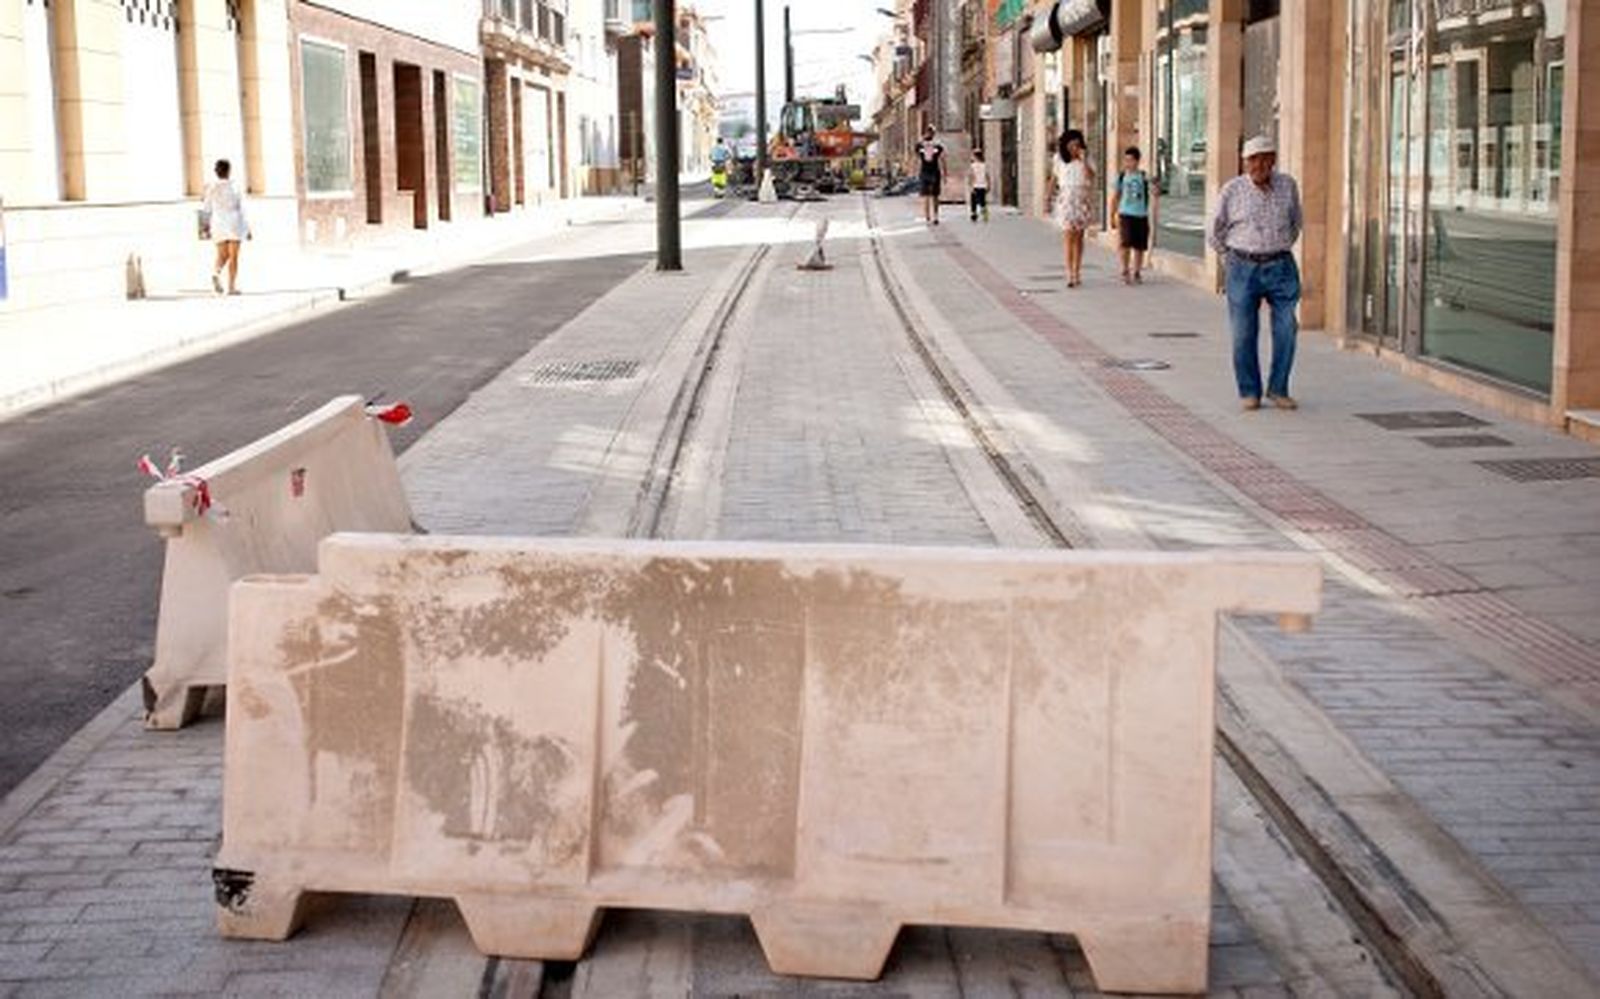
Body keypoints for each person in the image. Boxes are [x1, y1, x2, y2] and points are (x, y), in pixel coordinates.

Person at [1210, 135, 1304, 411]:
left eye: (1264, 157)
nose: (1258, 164)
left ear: (1273, 160)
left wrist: (1279, 246)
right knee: (1243, 332)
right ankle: (1249, 390)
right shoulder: (1232, 190)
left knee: (1287, 327)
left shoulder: (1288, 185)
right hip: (1243, 266)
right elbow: (1214, 231)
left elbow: (1295, 222)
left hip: (1281, 266)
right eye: (1252, 159)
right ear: (1244, 162)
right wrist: (1230, 259)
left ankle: (1278, 388)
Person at [1045, 129, 1094, 287]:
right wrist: (1047, 197)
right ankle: (1069, 273)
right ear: (1065, 145)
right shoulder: (1058, 159)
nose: (1074, 148)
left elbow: (1090, 177)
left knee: (1079, 237)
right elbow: (1053, 179)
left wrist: (1084, 159)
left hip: (1081, 198)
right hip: (1066, 198)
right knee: (1068, 237)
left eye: (1077, 145)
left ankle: (1077, 271)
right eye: (1071, 145)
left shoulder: (1085, 159)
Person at [1109, 146, 1156, 285]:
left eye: (1130, 160)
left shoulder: (1143, 176)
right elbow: (1115, 197)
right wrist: (1112, 214)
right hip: (1125, 214)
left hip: (1141, 215)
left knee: (1139, 246)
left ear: (1137, 161)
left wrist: (1155, 185)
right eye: (1126, 160)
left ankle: (1137, 271)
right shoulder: (1122, 177)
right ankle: (1125, 270)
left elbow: (1155, 191)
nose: (1127, 163)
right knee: (1125, 244)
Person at [202, 158, 248, 296]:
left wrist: (204, 226)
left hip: (218, 222)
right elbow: (242, 207)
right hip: (234, 222)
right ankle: (231, 287)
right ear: (229, 170)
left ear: (217, 172)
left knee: (222, 255)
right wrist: (247, 227)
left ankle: (216, 273)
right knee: (233, 257)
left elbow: (206, 208)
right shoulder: (235, 186)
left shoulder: (211, 187)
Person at [915, 126, 947, 226]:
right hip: (932, 172)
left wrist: (944, 173)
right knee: (932, 196)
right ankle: (932, 217)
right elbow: (942, 159)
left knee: (929, 196)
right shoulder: (937, 146)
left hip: (927, 172)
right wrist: (945, 173)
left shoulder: (920, 146)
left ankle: (930, 217)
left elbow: (917, 160)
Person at [968, 149, 990, 222]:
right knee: (982, 201)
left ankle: (974, 213)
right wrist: (989, 185)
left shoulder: (972, 166)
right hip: (983, 185)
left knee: (973, 200)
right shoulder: (985, 165)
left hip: (975, 186)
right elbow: (987, 176)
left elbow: (971, 176)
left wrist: (970, 185)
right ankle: (985, 214)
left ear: (975, 157)